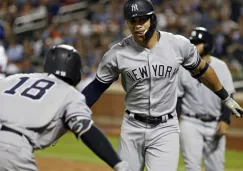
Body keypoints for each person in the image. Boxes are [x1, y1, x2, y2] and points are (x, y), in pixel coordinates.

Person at [81, 0, 243, 171]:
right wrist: (69, 115)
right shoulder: (117, 53)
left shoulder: (177, 45)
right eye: (132, 21)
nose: (137, 25)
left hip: (165, 128)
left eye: (142, 19)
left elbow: (203, 70)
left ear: (153, 19)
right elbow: (96, 88)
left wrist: (225, 97)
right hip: (132, 126)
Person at [0, 44, 131, 171]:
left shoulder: (15, 78)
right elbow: (86, 129)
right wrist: (118, 164)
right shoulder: (70, 94)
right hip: (13, 152)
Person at [177, 27, 235, 171]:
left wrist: (225, 119)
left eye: (197, 43)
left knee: (216, 168)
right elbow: (177, 97)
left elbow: (229, 95)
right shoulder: (182, 67)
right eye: (192, 42)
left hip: (214, 124)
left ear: (208, 45)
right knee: (192, 167)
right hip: (190, 122)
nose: (193, 46)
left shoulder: (220, 66)